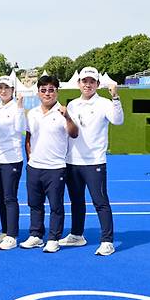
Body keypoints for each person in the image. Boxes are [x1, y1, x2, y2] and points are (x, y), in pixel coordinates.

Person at [59, 67, 124, 256]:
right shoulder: (72, 105)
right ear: (79, 83)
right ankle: (77, 235)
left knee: (100, 201)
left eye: (92, 82)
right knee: (76, 201)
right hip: (72, 162)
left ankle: (107, 241)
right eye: (84, 81)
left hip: (95, 161)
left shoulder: (105, 103)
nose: (88, 85)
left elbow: (118, 120)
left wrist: (116, 98)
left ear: (97, 84)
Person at [20, 75, 78, 253]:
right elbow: (28, 138)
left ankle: (54, 238)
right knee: (35, 204)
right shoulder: (33, 113)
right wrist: (30, 159)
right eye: (43, 90)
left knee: (56, 206)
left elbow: (74, 134)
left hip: (55, 167)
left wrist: (67, 117)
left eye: (51, 90)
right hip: (35, 167)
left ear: (57, 92)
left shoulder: (63, 112)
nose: (47, 93)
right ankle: (36, 235)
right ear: (38, 92)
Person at [0, 75, 27, 251]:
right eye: (0, 88)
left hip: (11, 159)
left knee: (10, 197)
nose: (3, 91)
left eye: (6, 88)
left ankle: (12, 235)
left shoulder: (16, 107)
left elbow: (20, 128)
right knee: (1, 198)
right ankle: (5, 231)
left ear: (13, 90)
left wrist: (20, 108)